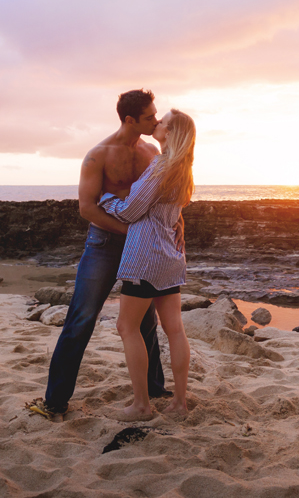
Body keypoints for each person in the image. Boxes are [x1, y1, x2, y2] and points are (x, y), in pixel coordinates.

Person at [28, 89, 179, 419]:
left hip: (143, 247)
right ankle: (54, 402)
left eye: (155, 115)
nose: (156, 120)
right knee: (80, 319)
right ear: (129, 120)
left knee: (146, 322)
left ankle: (153, 388)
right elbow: (87, 209)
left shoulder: (151, 150)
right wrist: (131, 232)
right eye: (150, 117)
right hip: (104, 247)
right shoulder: (98, 156)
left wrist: (176, 221)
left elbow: (161, 195)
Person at [99, 109, 195, 420]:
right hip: (170, 257)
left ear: (172, 133)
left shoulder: (161, 165)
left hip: (145, 258)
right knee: (175, 330)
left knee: (126, 326)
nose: (157, 123)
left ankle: (141, 405)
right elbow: (171, 213)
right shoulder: (184, 170)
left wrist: (105, 199)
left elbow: (130, 211)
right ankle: (180, 402)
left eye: (163, 121)